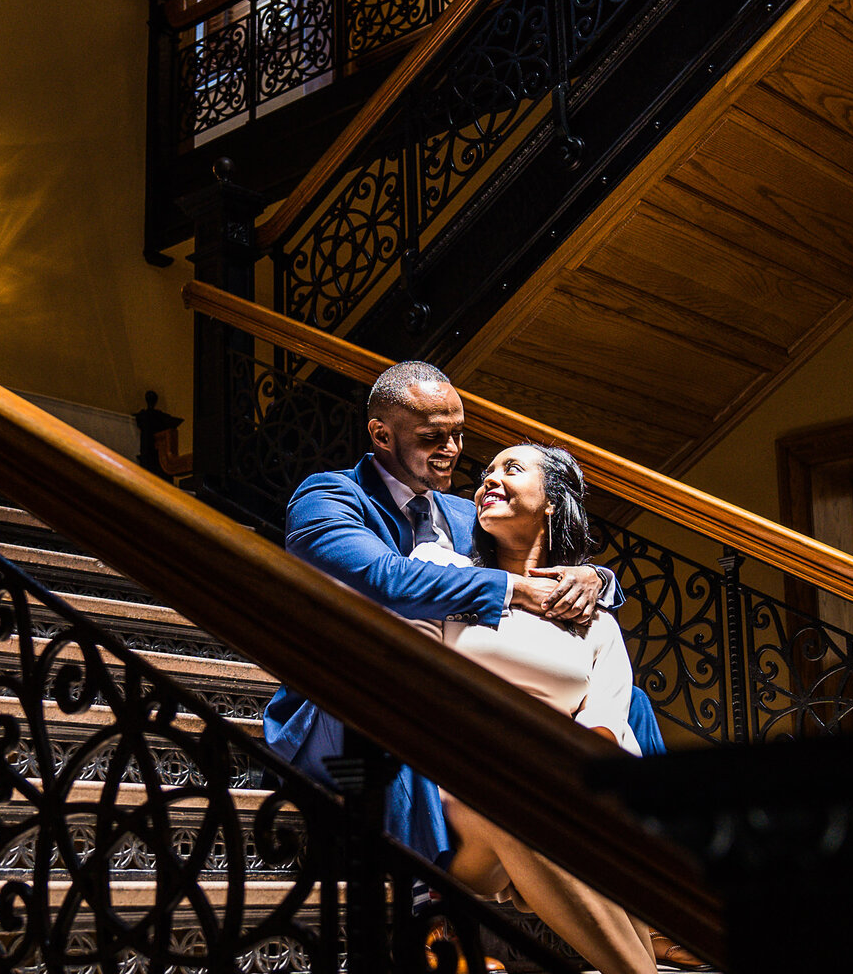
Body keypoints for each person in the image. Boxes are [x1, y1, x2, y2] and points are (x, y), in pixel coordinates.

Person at [422, 441, 755, 974]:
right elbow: (428, 687)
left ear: (552, 502)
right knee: (520, 795)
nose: (488, 476)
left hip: (556, 801)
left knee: (589, 798)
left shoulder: (595, 619)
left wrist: (598, 580)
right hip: (459, 813)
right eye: (485, 470)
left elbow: (605, 725)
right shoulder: (446, 572)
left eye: (511, 469)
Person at [263, 361, 630, 861]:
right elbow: (386, 581)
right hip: (346, 713)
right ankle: (422, 891)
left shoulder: (465, 513)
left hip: (456, 705)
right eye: (434, 436)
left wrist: (597, 579)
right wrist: (515, 589)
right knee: (397, 676)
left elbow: (543, 563)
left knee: (617, 700)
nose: (453, 450)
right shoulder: (327, 497)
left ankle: (652, 873)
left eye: (458, 433)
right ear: (382, 434)